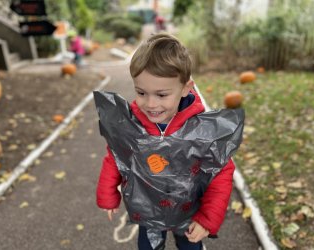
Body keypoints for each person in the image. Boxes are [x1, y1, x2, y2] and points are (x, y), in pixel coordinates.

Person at [95, 33, 244, 250]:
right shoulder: (132, 125)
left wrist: (207, 219)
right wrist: (107, 194)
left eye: (162, 95)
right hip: (148, 209)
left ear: (185, 88)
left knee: (189, 246)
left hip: (189, 211)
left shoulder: (201, 131)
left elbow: (220, 172)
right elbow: (116, 157)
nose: (151, 104)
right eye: (141, 92)